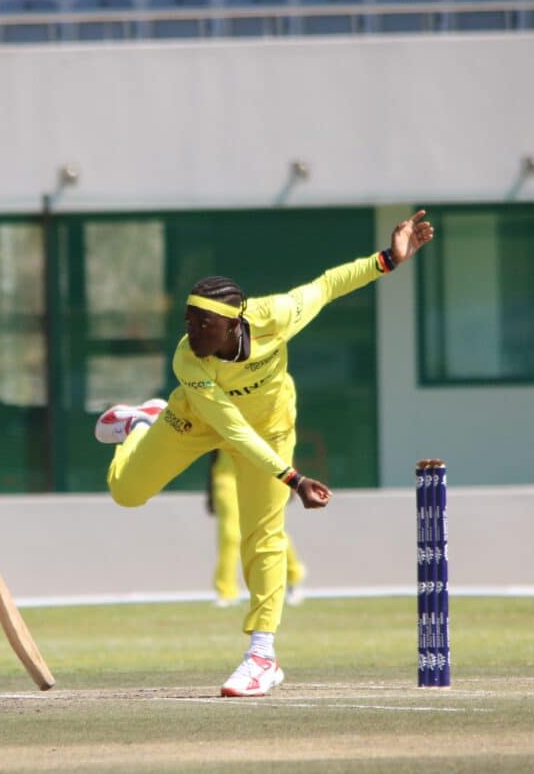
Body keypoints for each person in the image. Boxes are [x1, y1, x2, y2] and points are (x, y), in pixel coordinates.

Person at [96, 211, 434, 697]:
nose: (192, 331)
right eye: (188, 320)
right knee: (126, 492)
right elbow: (230, 429)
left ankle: (261, 656)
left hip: (271, 429)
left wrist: (387, 260)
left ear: (233, 322)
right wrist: (294, 478)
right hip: (201, 418)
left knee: (264, 536)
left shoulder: (276, 315)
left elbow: (327, 286)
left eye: (203, 323)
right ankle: (142, 423)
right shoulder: (188, 359)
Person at [207, 449, 307, 608]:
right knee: (230, 533)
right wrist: (210, 489)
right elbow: (213, 447)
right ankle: (226, 591)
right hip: (227, 475)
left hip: (262, 473)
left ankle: (294, 575)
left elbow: (282, 442)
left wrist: (291, 479)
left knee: (268, 527)